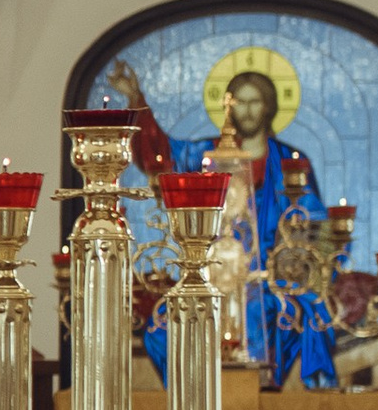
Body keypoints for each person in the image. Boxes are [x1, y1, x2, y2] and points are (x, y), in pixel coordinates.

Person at [123, 58, 335, 386]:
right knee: (162, 327)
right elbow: (160, 155)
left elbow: (314, 224)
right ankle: (189, 395)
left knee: (276, 315)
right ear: (228, 107)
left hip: (269, 277)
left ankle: (263, 396)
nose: (247, 111)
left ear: (269, 107)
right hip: (206, 274)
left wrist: (298, 267)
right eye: (240, 102)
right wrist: (137, 100)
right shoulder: (204, 156)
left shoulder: (291, 162)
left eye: (255, 101)